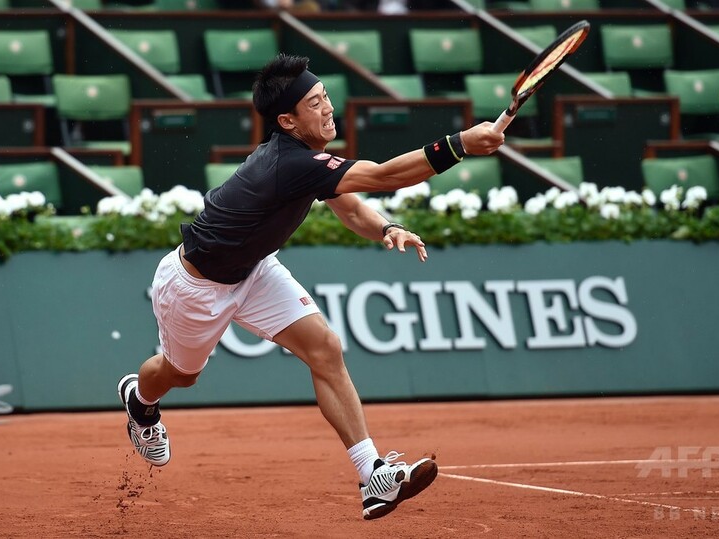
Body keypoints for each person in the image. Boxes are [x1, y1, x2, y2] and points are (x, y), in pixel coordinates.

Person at [117, 53, 504, 520]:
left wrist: (385, 229)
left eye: (325, 98)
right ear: (287, 120)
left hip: (254, 270)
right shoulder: (288, 164)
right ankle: (141, 402)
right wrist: (459, 144)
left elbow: (353, 208)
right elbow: (384, 176)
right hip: (195, 287)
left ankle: (373, 476)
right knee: (181, 375)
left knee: (325, 348)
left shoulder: (307, 160)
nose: (327, 109)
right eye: (315, 103)